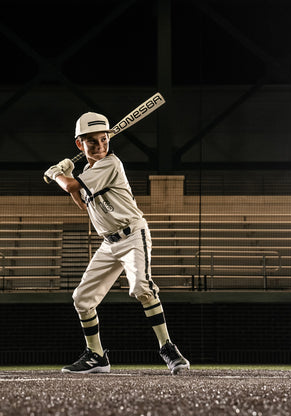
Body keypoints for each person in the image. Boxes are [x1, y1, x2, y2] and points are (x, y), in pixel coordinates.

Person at [44, 111, 190, 375]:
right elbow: (81, 201)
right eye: (92, 142)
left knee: (141, 288)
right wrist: (72, 175)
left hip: (133, 235)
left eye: (104, 139)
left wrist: (58, 174)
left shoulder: (111, 163)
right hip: (108, 244)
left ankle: (168, 348)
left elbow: (70, 187)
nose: (100, 146)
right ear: (80, 144)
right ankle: (97, 356)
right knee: (82, 299)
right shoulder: (90, 171)